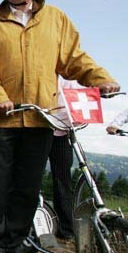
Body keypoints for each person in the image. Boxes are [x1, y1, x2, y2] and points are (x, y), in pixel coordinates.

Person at [0, 0, 120, 253]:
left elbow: (74, 58)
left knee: (27, 187)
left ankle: (14, 246)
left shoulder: (55, 18)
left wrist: (101, 79)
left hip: (42, 116)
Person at [48, 78, 81, 240]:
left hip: (62, 133)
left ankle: (66, 228)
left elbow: (78, 99)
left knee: (63, 181)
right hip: (38, 130)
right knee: (29, 180)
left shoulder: (70, 78)